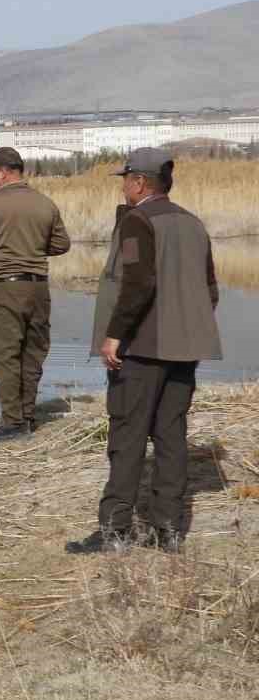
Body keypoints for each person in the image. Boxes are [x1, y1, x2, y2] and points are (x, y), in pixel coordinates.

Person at [67, 149, 221, 554]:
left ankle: (115, 531)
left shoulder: (138, 220)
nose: (122, 185)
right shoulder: (193, 223)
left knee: (127, 434)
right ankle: (168, 530)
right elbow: (210, 291)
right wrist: (185, 331)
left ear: (138, 183)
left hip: (141, 349)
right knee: (171, 436)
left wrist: (116, 335)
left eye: (125, 179)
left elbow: (138, 284)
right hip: (184, 350)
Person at [0, 146, 71, 440]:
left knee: (4, 354)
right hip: (38, 288)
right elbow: (62, 244)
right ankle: (26, 416)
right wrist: (33, 247)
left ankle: (12, 424)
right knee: (32, 353)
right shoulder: (45, 203)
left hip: (5, 289)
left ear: (1, 171)